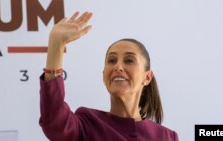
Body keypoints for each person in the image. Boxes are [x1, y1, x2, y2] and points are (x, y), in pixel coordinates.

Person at [39, 11, 179, 141]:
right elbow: (54, 123)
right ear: (104, 75)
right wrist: (56, 45)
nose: (118, 67)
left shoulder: (167, 137)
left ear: (147, 77)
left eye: (129, 60)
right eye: (112, 61)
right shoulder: (87, 124)